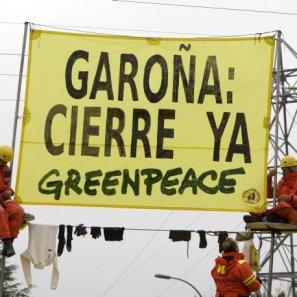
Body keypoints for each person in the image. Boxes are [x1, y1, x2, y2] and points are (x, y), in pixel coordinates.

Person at [244, 155, 297, 225]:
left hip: (293, 215)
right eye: (283, 170)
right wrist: (269, 178)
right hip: (281, 213)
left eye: (287, 169)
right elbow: (269, 194)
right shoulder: (282, 182)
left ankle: (264, 217)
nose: (284, 172)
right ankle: (266, 218)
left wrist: (291, 198)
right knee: (253, 208)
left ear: (294, 168)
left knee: (282, 205)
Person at [0, 145, 25, 257]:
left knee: (18, 211)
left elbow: (7, 186)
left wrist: (10, 191)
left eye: (5, 162)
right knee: (1, 212)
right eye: (2, 161)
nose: (3, 164)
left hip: (3, 197)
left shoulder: (6, 170)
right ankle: (7, 243)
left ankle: (9, 246)